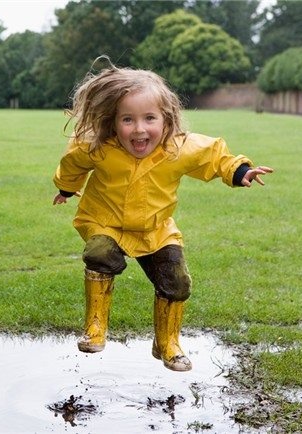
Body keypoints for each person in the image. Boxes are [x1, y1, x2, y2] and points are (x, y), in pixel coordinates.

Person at [52, 59, 273, 372]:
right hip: (105, 221)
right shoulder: (99, 147)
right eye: (127, 119)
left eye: (149, 118)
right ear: (113, 122)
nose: (139, 129)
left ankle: (167, 342)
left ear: (166, 119)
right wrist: (66, 188)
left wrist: (240, 171)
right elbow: (72, 164)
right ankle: (95, 327)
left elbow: (213, 156)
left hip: (156, 229)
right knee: (99, 252)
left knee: (177, 281)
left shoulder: (177, 148)